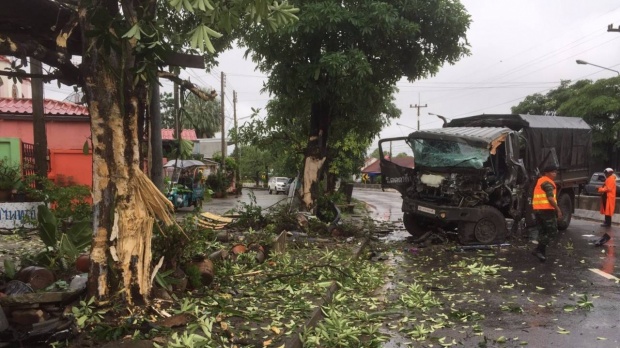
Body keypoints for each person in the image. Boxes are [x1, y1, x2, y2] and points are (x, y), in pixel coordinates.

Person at [531, 165, 563, 262]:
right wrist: (558, 210)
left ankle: (542, 254)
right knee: (552, 232)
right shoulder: (547, 183)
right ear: (546, 173)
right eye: (553, 172)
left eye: (555, 172)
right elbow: (550, 198)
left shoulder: (540, 181)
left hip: (538, 210)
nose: (555, 174)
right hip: (546, 211)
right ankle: (538, 250)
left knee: (543, 232)